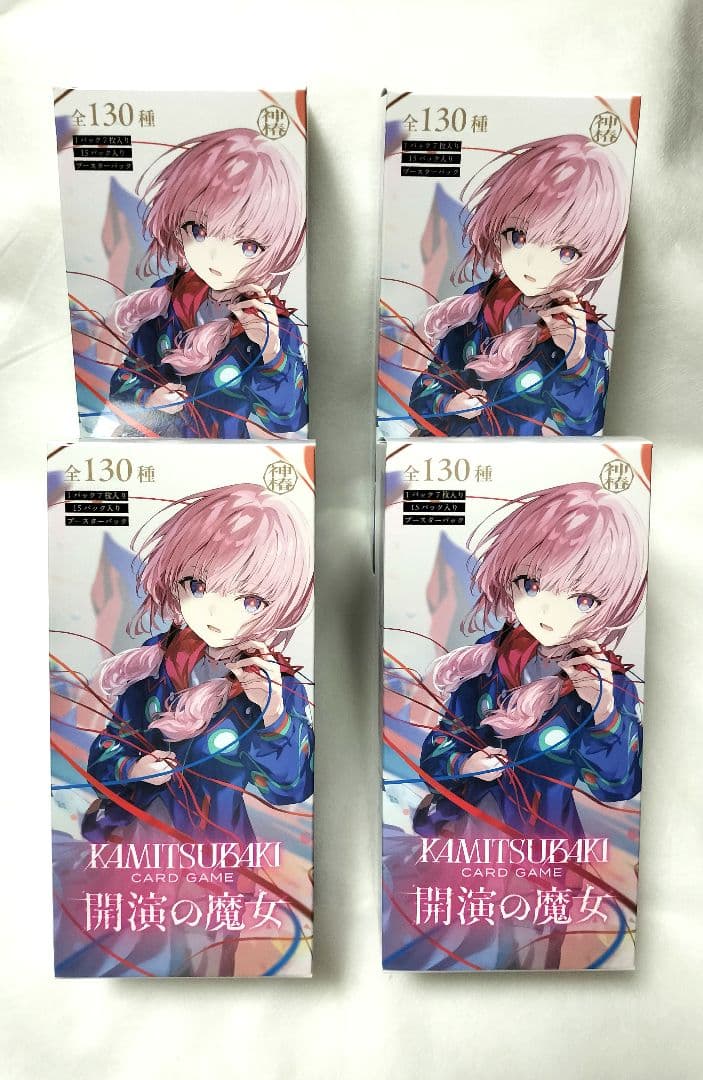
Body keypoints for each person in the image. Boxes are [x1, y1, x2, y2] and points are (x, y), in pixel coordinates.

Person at [82, 483, 314, 842]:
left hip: (216, 853)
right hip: (138, 844)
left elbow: (290, 790)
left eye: (251, 601)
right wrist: (133, 768)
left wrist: (274, 716)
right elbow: (105, 753)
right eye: (198, 586)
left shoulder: (274, 686)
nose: (215, 614)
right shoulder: (155, 662)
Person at [409, 135, 629, 436]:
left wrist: (576, 360)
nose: (532, 265)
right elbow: (426, 388)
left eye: (566, 252)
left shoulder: (579, 331)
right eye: (519, 237)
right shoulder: (478, 306)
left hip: (516, 459)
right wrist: (449, 403)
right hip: (452, 453)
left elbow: (584, 427)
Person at [106, 129, 307, 437]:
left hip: (224, 457)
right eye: (199, 231)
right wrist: (149, 400)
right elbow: (124, 385)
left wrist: (272, 354)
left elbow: (289, 419)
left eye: (248, 246)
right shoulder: (166, 301)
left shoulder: (269, 324)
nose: (216, 257)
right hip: (159, 451)